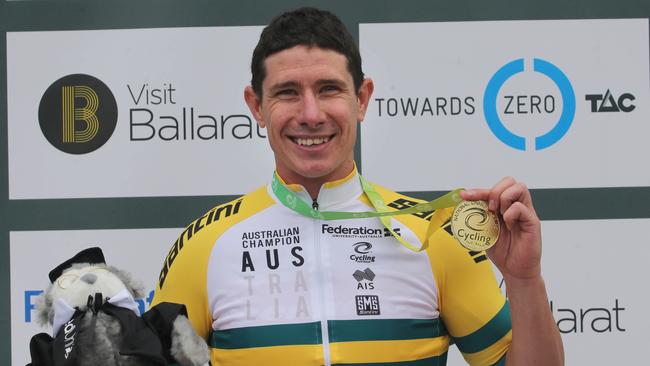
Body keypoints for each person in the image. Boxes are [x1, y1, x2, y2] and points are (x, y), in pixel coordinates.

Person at [152, 7, 563, 366]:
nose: (311, 114)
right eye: (287, 93)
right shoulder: (204, 245)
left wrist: (525, 281)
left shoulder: (434, 234)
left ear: (362, 98)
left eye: (328, 89)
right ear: (256, 106)